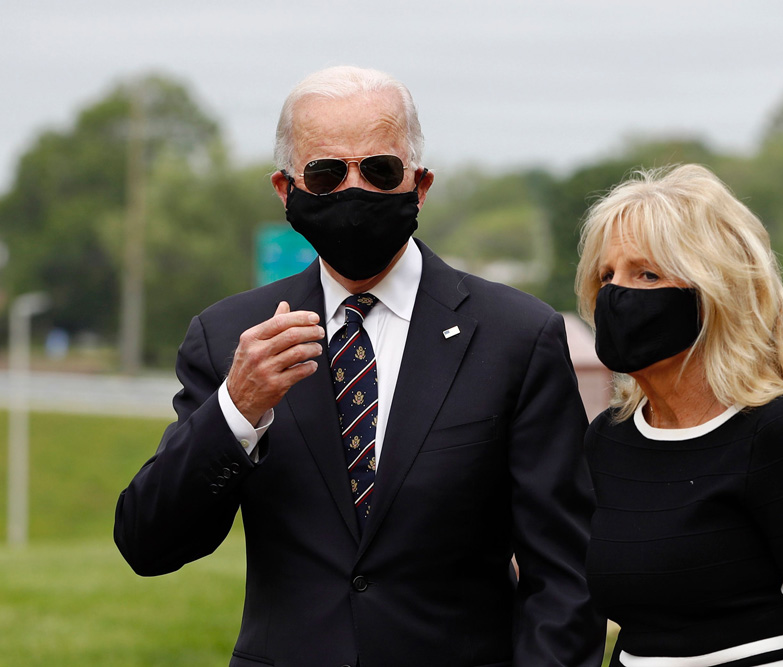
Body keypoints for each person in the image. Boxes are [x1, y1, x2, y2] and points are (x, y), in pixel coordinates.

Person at [114, 66, 603, 667]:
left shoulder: (516, 336)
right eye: (324, 173)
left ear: (420, 185)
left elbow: (565, 574)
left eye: (380, 170)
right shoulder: (228, 338)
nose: (355, 190)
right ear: (285, 189)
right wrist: (236, 410)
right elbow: (149, 542)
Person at [575, 164, 783, 666]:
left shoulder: (779, 435)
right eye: (606, 276)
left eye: (646, 274)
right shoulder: (607, 441)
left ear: (710, 294)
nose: (616, 294)